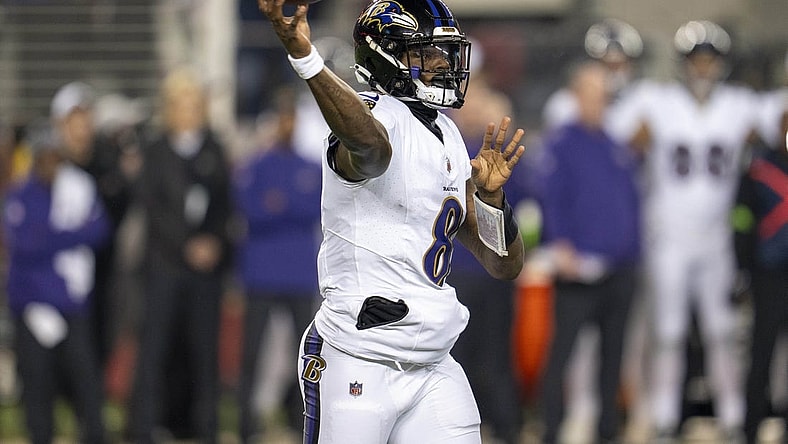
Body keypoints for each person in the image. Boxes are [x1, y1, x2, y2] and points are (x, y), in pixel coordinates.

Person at [257, 0, 527, 442]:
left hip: (434, 363)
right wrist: (307, 59)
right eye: (427, 52)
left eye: (445, 51)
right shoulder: (371, 117)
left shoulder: (448, 134)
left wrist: (493, 199)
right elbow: (373, 151)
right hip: (359, 354)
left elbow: (504, 263)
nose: (443, 63)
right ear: (386, 56)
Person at [613, 20, 764, 442]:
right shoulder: (657, 101)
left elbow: (775, 120)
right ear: (683, 64)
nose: (703, 68)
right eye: (696, 60)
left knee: (721, 328)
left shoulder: (738, 104)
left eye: (709, 60)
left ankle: (732, 413)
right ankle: (663, 413)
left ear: (721, 64)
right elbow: (615, 129)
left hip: (716, 238)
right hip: (668, 235)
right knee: (669, 330)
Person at [535, 60, 642, 444]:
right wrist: (559, 245)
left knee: (613, 359)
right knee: (561, 354)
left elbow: (629, 203)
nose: (599, 103)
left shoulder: (615, 146)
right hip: (578, 270)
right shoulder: (561, 143)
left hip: (620, 270)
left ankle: (608, 432)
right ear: (577, 96)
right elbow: (550, 199)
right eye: (593, 95)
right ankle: (551, 430)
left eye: (604, 96)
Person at [128, 67, 233, 444]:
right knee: (155, 350)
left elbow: (225, 206)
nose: (187, 111)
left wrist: (215, 242)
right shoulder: (155, 150)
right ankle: (144, 426)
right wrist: (186, 246)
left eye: (194, 104)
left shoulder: (214, 148)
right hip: (164, 267)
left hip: (206, 272)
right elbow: (153, 210)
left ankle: (204, 426)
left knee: (204, 352)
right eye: (180, 104)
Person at [2, 121, 111, 444]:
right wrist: (68, 235)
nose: (51, 163)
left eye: (56, 157)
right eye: (45, 156)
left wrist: (51, 236)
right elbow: (23, 245)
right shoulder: (20, 195)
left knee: (85, 378)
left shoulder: (75, 189)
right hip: (33, 303)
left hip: (70, 301)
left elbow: (99, 229)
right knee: (37, 382)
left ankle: (94, 435)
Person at [233, 86, 322, 442]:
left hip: (299, 273)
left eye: (291, 118)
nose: (287, 125)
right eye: (281, 118)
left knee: (306, 354)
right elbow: (250, 210)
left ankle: (302, 418)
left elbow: (313, 210)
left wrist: (278, 205)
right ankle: (245, 422)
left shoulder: (311, 166)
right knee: (252, 351)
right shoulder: (254, 165)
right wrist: (286, 208)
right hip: (262, 273)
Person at [448, 39, 526, 444]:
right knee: (453, 358)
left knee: (496, 357)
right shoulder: (443, 141)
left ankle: (506, 428)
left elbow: (522, 210)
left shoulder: (500, 150)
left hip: (489, 270)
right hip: (452, 270)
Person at [50, 81, 139, 368]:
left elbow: (119, 211)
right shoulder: (48, 167)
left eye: (85, 121)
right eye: (74, 121)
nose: (81, 129)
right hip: (55, 276)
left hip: (101, 274)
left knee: (98, 346)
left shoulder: (106, 164)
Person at [735, 105, 788, 444]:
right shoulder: (759, 169)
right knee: (761, 353)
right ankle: (750, 427)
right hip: (769, 275)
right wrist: (744, 268)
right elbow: (741, 220)